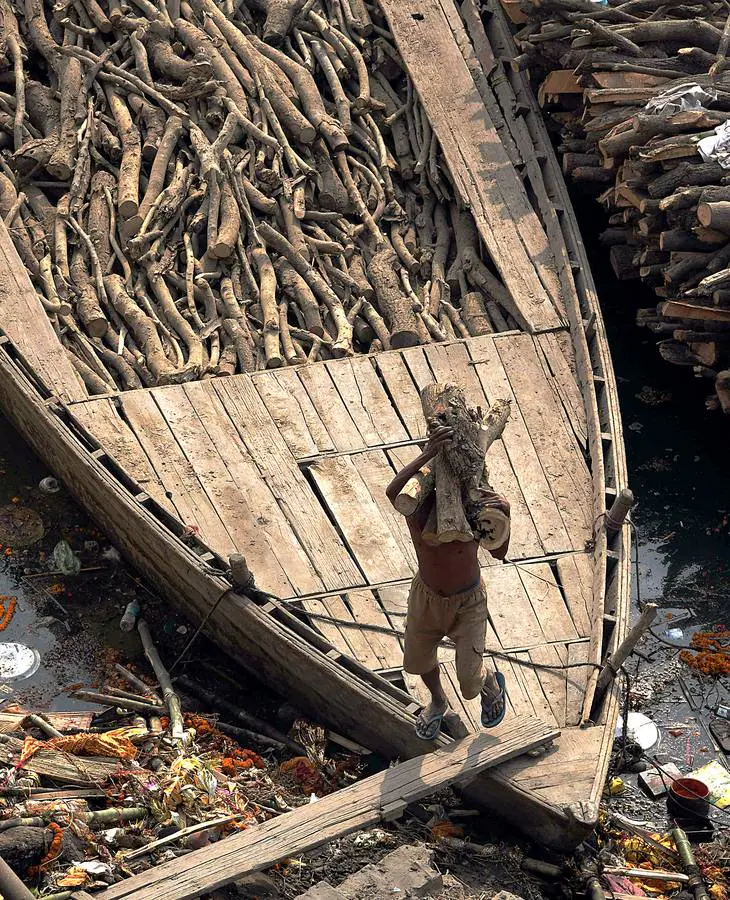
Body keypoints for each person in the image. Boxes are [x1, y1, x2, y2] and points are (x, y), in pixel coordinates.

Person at [386, 425, 510, 741]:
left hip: (468, 603)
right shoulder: (418, 507)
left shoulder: (477, 511)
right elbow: (393, 492)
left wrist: (504, 512)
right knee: (417, 661)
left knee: (470, 685)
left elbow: (499, 553)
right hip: (426, 597)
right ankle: (438, 701)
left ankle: (490, 683)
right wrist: (427, 454)